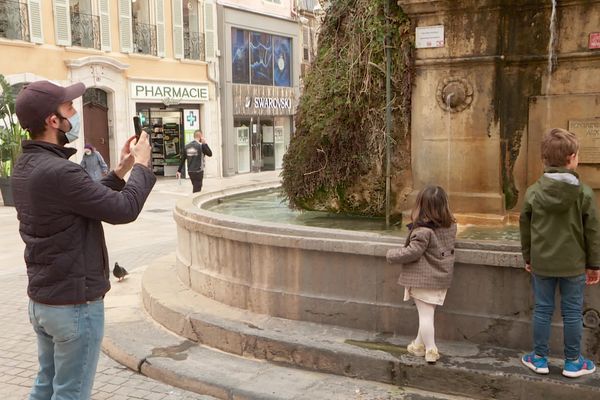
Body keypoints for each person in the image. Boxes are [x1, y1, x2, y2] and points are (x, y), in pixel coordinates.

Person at [11, 80, 156, 400]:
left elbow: (84, 200)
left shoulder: (27, 167)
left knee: (45, 385)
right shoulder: (61, 172)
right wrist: (143, 166)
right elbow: (124, 209)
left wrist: (121, 169)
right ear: (53, 121)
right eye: (69, 108)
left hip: (44, 303)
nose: (75, 113)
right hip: (74, 306)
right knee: (70, 393)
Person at [520, 128, 600, 378]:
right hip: (574, 265)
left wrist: (529, 257)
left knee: (543, 310)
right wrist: (594, 264)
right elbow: (592, 232)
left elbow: (525, 227)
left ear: (544, 159)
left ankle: (540, 359)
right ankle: (573, 362)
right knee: (573, 313)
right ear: (573, 157)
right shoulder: (584, 193)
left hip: (542, 264)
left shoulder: (533, 192)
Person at [386, 185, 457, 363]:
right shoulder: (451, 226)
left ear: (421, 206)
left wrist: (391, 255)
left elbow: (412, 252)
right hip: (441, 277)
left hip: (424, 279)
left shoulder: (422, 232)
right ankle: (418, 346)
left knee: (425, 316)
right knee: (427, 313)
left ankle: (431, 349)